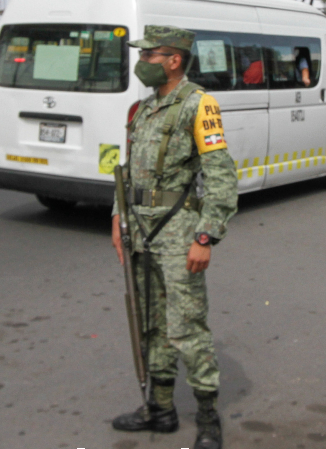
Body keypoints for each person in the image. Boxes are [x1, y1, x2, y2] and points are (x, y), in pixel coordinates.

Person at [110, 25, 238, 449]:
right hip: (141, 230)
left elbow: (221, 176)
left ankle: (207, 418)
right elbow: (126, 171)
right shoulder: (143, 110)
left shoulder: (200, 105)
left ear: (173, 60)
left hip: (178, 229)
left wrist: (206, 236)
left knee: (187, 326)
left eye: (148, 56)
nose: (141, 63)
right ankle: (160, 409)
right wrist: (117, 217)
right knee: (151, 323)